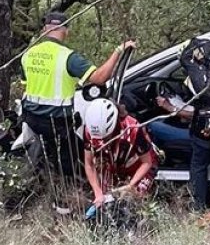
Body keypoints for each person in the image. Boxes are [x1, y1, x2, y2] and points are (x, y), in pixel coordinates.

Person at [19, 11, 134, 207]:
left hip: (31, 118)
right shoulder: (67, 57)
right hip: (57, 122)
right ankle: (63, 204)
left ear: (44, 30)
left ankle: (42, 189)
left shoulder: (28, 54)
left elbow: (26, 85)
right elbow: (99, 78)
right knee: (71, 163)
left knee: (46, 157)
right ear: (66, 31)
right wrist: (118, 51)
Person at [154, 44, 210, 222]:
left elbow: (192, 113)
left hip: (207, 128)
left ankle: (198, 210)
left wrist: (169, 107)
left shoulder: (194, 77)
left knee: (199, 164)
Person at [80, 98, 158, 216]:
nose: (102, 143)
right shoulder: (88, 131)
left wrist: (130, 186)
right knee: (106, 202)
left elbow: (147, 162)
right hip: (113, 163)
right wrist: (98, 192)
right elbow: (89, 163)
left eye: (105, 138)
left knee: (133, 201)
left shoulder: (133, 129)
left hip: (140, 165)